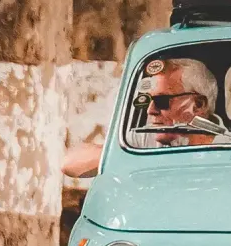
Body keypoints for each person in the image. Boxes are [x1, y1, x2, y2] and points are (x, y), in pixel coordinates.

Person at [61, 58, 219, 178]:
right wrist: (139, 159)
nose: (150, 111)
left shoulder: (229, 147)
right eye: (148, 101)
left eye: (162, 101)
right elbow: (69, 163)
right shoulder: (146, 141)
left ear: (198, 105)